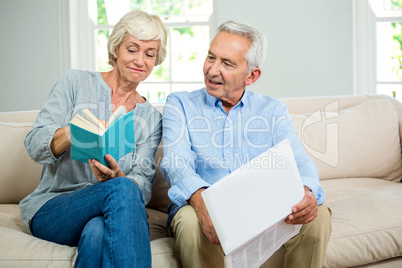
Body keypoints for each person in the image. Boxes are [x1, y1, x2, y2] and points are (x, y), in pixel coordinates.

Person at [160, 20, 332, 268]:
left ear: (252, 75)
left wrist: (307, 192)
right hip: (200, 205)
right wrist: (202, 202)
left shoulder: (272, 110)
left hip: (259, 209)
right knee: (188, 219)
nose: (212, 70)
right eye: (211, 57)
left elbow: (300, 161)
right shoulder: (180, 104)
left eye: (227, 63)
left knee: (317, 216)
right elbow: (176, 163)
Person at [19, 10, 167, 267]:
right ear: (116, 50)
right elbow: (34, 144)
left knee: (99, 229)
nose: (140, 60)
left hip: (111, 211)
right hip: (55, 208)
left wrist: (118, 178)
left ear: (155, 61)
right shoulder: (74, 83)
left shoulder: (151, 118)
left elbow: (142, 182)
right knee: (123, 189)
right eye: (132, 49)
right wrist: (72, 132)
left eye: (149, 54)